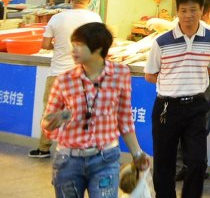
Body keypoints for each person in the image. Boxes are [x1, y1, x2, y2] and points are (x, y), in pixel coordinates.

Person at [42, 21, 150, 197]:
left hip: (105, 158)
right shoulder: (64, 80)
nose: (73, 50)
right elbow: (46, 123)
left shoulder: (120, 74)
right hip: (68, 160)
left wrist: (137, 154)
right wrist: (54, 120)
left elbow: (124, 119)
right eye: (73, 45)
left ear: (98, 48)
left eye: (79, 45)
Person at [145, 0, 210, 198]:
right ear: (177, 12)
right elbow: (150, 74)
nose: (188, 15)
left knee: (197, 162)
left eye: (193, 10)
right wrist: (174, 82)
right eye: (183, 11)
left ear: (202, 10)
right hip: (167, 107)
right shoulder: (161, 41)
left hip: (196, 106)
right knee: (164, 162)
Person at [31, 0, 103, 158]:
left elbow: (45, 45)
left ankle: (43, 148)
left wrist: (59, 46)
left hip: (58, 74)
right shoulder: (95, 18)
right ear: (89, 1)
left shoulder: (57, 18)